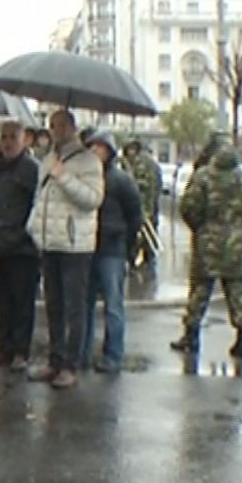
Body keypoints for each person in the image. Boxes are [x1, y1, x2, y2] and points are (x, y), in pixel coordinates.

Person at [25, 110, 105, 389]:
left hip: (75, 246)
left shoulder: (89, 161)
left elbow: (93, 199)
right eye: (52, 125)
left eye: (61, 125)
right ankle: (55, 359)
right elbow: (40, 197)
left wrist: (64, 177)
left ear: (72, 128)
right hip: (49, 243)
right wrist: (34, 228)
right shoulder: (48, 159)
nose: (56, 130)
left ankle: (71, 364)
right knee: (53, 305)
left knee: (74, 307)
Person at [170, 141, 242, 357]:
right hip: (236, 240)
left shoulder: (203, 176)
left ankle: (191, 335)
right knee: (237, 290)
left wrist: (200, 228)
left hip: (208, 240)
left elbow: (189, 207)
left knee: (200, 289)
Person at [0, 121, 40, 372]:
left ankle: (21, 352)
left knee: (22, 304)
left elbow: (37, 205)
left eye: (12, 137)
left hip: (22, 248)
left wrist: (24, 233)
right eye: (3, 137)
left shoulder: (30, 170)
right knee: (1, 302)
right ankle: (4, 349)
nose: (7, 142)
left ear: (23, 140)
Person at [79, 131, 142, 373]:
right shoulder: (84, 178)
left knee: (113, 304)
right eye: (92, 146)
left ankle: (113, 355)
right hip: (86, 247)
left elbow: (135, 214)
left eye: (100, 147)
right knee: (84, 304)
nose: (95, 151)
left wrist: (128, 247)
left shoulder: (121, 180)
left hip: (112, 250)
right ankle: (81, 352)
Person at [121, 139, 160, 277]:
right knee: (144, 234)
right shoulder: (151, 163)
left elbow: (143, 186)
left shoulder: (141, 164)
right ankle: (146, 262)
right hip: (149, 206)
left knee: (136, 235)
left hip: (141, 206)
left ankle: (134, 261)